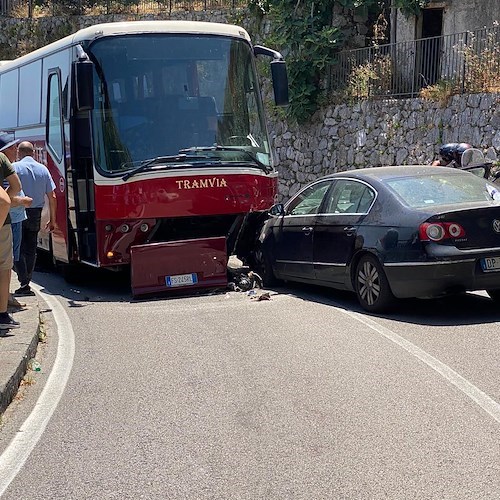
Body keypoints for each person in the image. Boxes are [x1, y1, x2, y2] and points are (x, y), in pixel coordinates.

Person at [13, 142, 56, 297]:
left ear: (19, 152)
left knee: (17, 247)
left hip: (18, 211)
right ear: (32, 152)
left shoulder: (15, 167)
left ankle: (23, 282)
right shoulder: (43, 169)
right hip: (36, 212)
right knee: (31, 248)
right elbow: (52, 197)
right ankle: (27, 281)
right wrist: (53, 220)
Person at [0, 143, 32, 329]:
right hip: (3, 221)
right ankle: (2, 315)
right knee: (4, 266)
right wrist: (7, 197)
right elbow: (16, 185)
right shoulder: (2, 159)